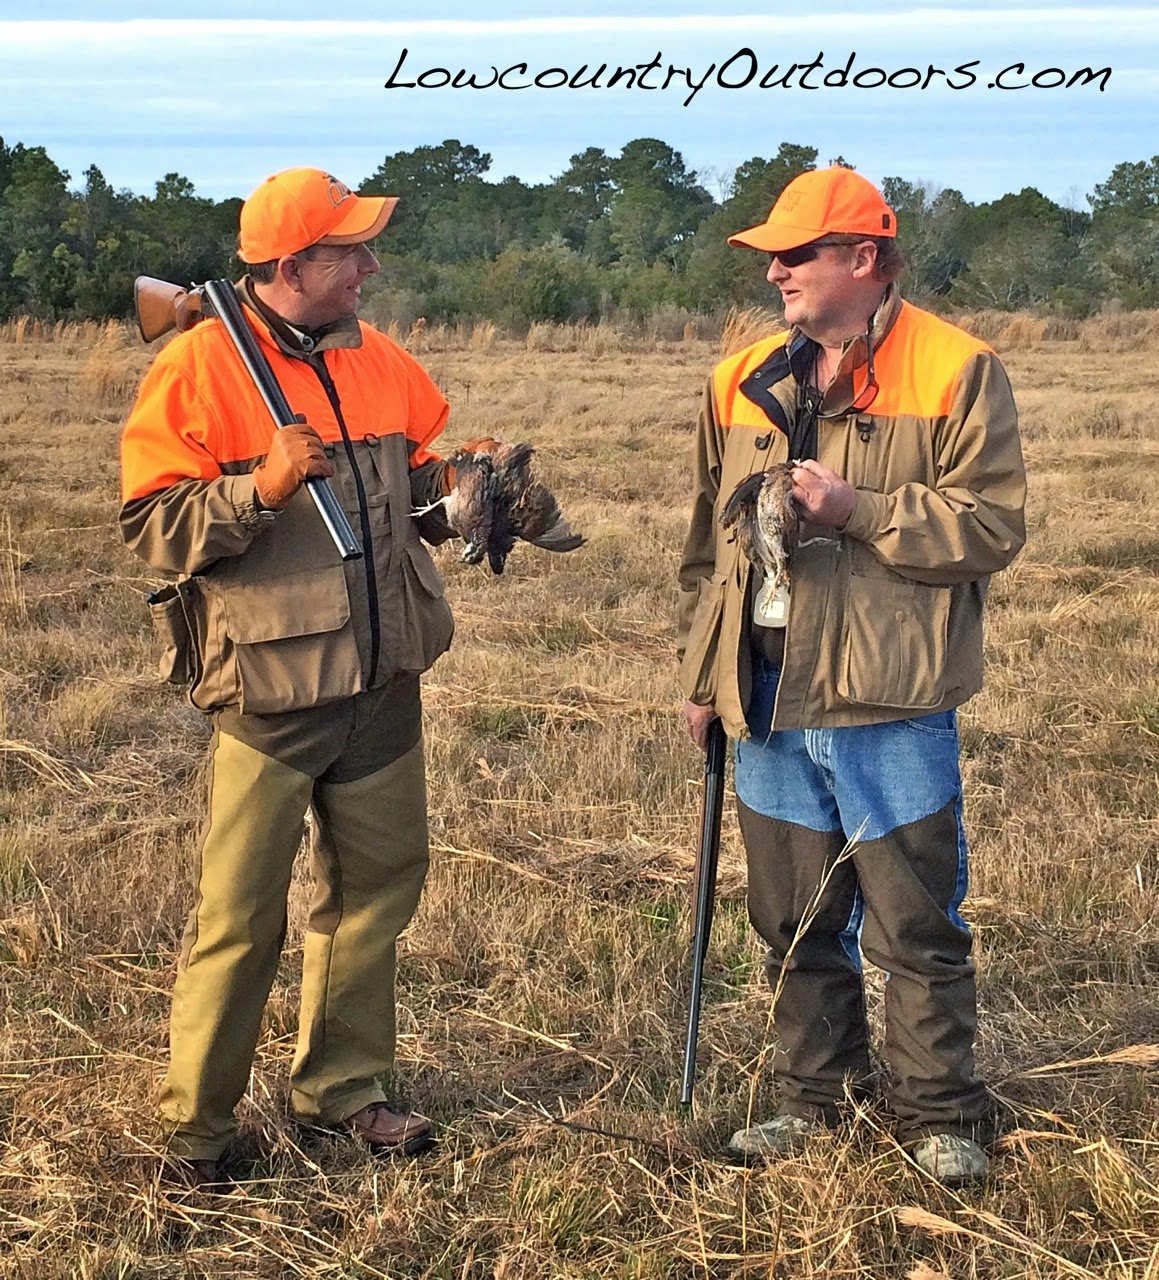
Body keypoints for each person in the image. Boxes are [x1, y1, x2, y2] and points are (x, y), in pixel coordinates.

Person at [120, 167, 487, 1186]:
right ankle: (196, 1133)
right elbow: (155, 531)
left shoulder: (378, 358)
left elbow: (411, 494)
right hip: (270, 693)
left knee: (374, 893)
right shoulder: (198, 367)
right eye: (350, 250)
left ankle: (344, 1091)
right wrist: (261, 486)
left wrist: (466, 489)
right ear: (292, 266)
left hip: (383, 680)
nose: (370, 266)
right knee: (241, 917)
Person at [675, 166, 1026, 1185]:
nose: (775, 270)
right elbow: (707, 545)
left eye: (796, 252)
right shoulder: (735, 377)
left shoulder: (958, 369)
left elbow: (991, 527)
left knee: (914, 918)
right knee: (789, 914)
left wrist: (857, 510)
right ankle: (814, 1097)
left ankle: (938, 1115)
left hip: (889, 694)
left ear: (863, 258)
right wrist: (704, 673)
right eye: (771, 256)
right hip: (766, 687)